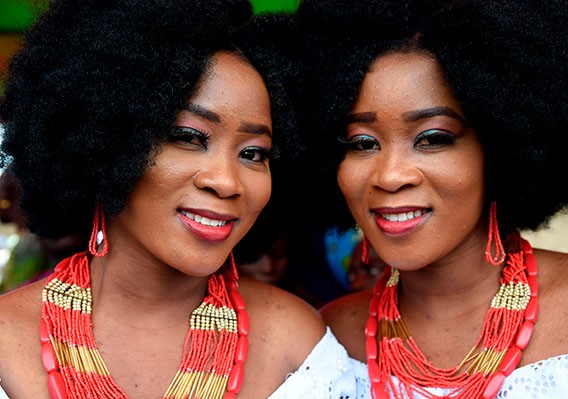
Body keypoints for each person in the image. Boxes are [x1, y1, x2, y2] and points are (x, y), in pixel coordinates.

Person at [0, 0, 355, 398]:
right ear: (107, 143)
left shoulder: (297, 347)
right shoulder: (5, 343)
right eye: (188, 138)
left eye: (254, 153)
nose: (226, 182)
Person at [298, 0, 568, 397]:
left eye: (432, 138)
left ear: (500, 147)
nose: (389, 175)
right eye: (363, 143)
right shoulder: (325, 345)